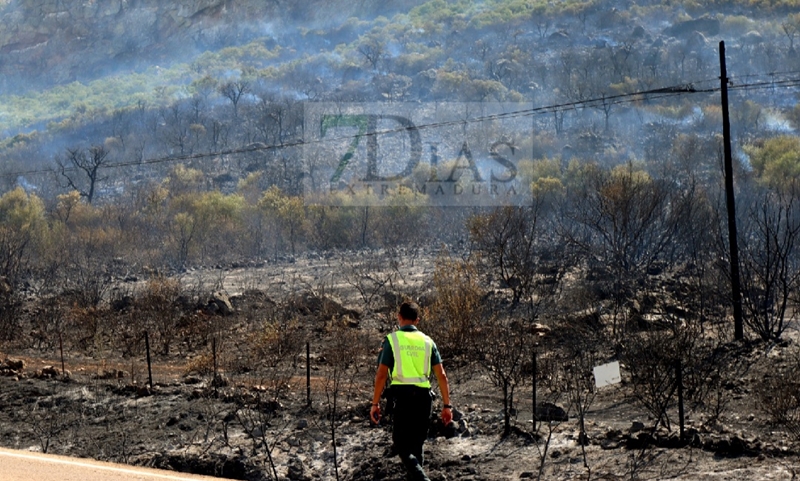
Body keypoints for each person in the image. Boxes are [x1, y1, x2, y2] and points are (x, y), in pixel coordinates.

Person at [370, 301, 452, 481]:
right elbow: (442, 375)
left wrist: (375, 403)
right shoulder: (428, 341)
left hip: (402, 398)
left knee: (401, 445)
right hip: (424, 399)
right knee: (417, 445)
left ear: (399, 317)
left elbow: (381, 375)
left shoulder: (392, 340)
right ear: (417, 320)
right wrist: (447, 406)